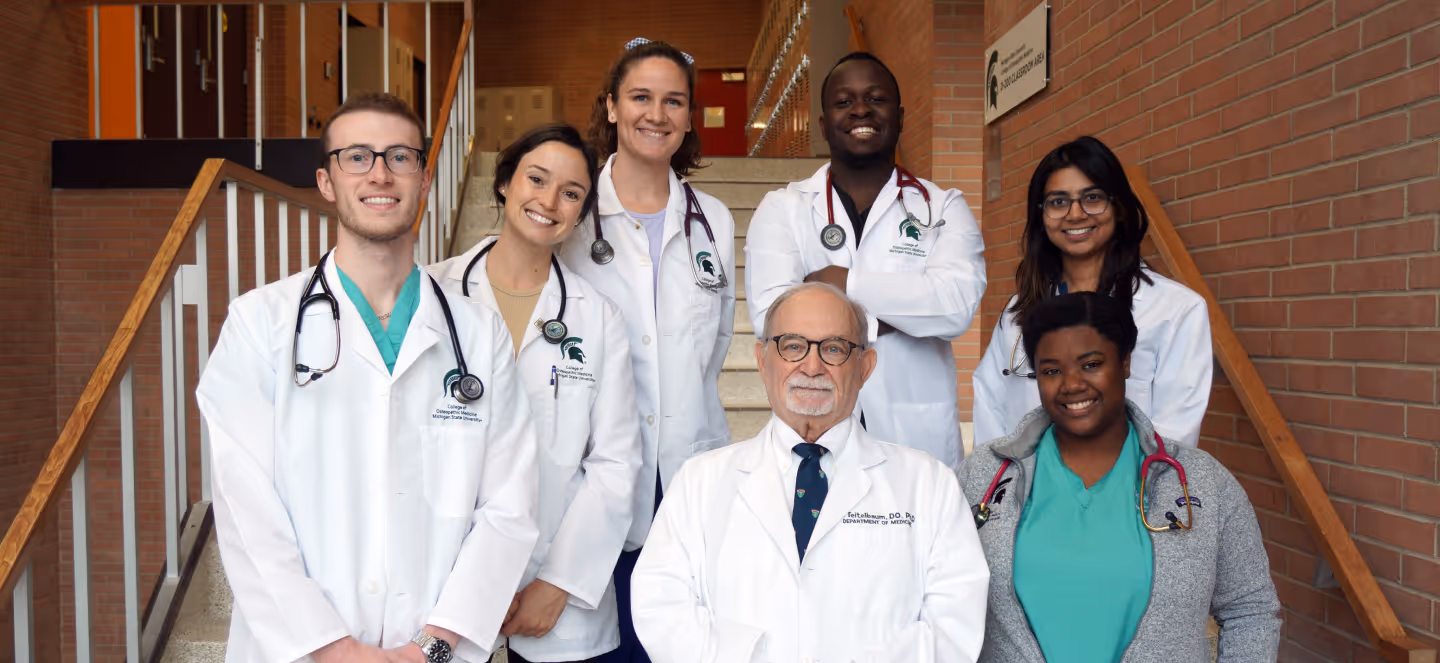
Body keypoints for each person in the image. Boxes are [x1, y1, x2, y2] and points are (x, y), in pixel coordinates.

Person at [196, 93, 538, 663]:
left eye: (400, 156)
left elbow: (510, 505)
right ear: (327, 181)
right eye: (357, 156)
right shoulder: (260, 324)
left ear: (425, 180)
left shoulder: (478, 335)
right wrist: (334, 649)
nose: (380, 173)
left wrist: (434, 644)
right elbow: (244, 508)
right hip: (298, 650)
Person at [632, 282, 990, 662]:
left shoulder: (929, 485)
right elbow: (662, 606)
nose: (812, 366)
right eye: (792, 346)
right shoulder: (699, 482)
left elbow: (954, 624)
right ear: (762, 359)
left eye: (834, 348)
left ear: (865, 367)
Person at [957, 292, 1280, 662]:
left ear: (1125, 362)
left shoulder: (1204, 480)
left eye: (1091, 364)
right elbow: (943, 599)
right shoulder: (984, 473)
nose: (1072, 384)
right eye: (1051, 370)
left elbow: (1249, 610)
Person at [431, 124, 642, 663]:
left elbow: (616, 462)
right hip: (438, 579)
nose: (549, 201)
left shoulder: (597, 318)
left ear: (581, 212)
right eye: (537, 179)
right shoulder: (430, 296)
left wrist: (559, 583)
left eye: (571, 193)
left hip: (553, 593)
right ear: (505, 182)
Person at [560, 38, 736, 663]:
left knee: (681, 645)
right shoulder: (571, 212)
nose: (655, 114)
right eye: (640, 97)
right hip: (589, 477)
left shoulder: (712, 218)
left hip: (687, 468)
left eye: (673, 101)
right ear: (610, 106)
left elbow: (713, 345)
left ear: (689, 117)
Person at [745, 52, 987, 470]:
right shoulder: (783, 208)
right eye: (844, 101)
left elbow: (954, 307)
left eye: (875, 99)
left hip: (914, 435)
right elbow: (774, 318)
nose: (860, 109)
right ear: (823, 124)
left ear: (901, 116)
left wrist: (842, 283)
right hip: (813, 426)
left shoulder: (942, 206)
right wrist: (904, 315)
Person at [972, 136, 1212, 448]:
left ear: (1119, 207)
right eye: (1058, 202)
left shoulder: (1176, 310)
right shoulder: (1019, 311)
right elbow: (990, 406)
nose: (1075, 214)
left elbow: (1175, 433)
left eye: (1092, 198)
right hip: (1026, 489)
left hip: (1127, 492)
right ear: (1041, 215)